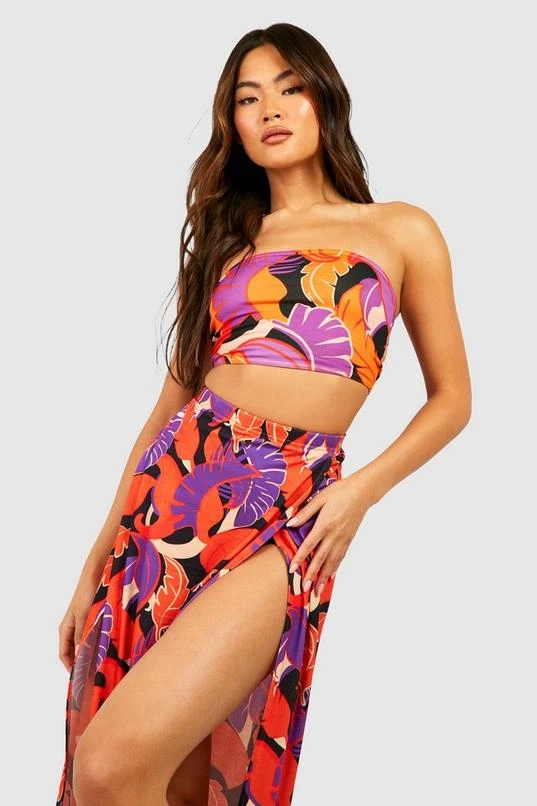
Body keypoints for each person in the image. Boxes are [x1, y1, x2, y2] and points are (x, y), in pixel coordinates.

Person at [55, 22, 472, 806]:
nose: (270, 109)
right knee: (155, 780)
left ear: (324, 99)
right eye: (248, 99)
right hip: (173, 499)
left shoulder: (399, 229)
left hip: (290, 510)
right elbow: (167, 409)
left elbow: (452, 400)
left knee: (113, 764)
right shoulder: (228, 243)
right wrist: (92, 564)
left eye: (289, 87)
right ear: (233, 125)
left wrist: (358, 493)